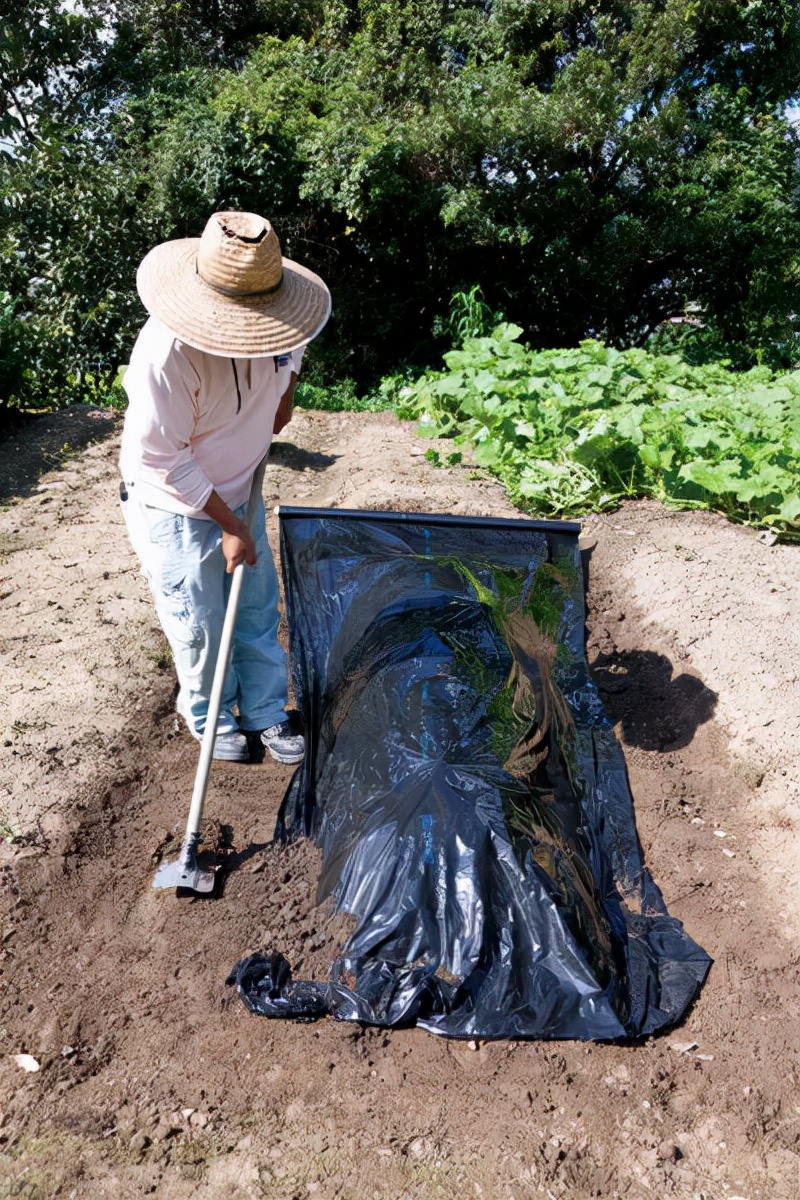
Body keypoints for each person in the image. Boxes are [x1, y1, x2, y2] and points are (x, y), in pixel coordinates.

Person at [118, 210, 331, 763]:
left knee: (257, 606)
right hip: (173, 501)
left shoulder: (283, 323)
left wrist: (283, 394)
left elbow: (289, 362)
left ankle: (264, 711)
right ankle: (210, 715)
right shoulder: (167, 357)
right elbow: (161, 456)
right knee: (200, 621)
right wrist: (230, 526)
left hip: (242, 485)